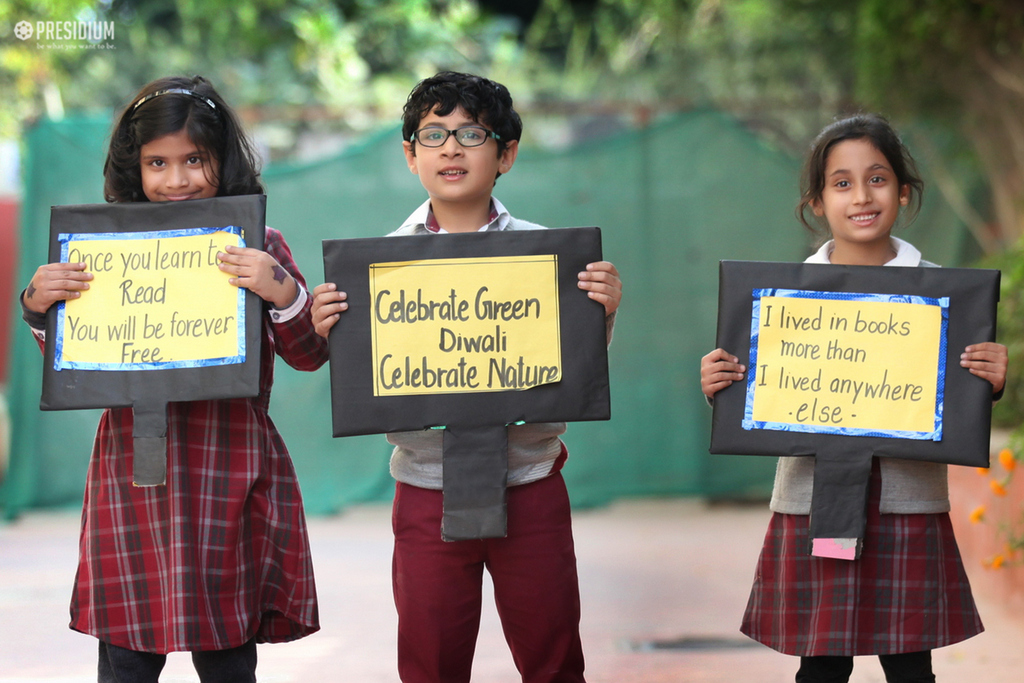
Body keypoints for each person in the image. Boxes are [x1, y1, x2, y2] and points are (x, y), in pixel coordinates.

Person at [311, 71, 622, 683]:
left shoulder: (549, 257)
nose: (451, 148)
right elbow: (372, 380)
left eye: (472, 133)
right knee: (430, 662)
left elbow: (568, 369)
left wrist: (602, 314)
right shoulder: (377, 267)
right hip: (425, 492)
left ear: (505, 153)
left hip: (531, 484)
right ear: (410, 155)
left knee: (554, 657)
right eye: (434, 134)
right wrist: (335, 332)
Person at [19, 76, 327, 683]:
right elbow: (80, 362)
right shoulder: (101, 253)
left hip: (229, 465)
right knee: (128, 652)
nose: (177, 179)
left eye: (195, 160)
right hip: (130, 472)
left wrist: (281, 289)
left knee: (226, 644)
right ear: (134, 166)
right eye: (157, 162)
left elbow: (309, 353)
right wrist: (39, 303)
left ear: (224, 159)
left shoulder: (258, 247)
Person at [700, 113, 1007, 683]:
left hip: (907, 506)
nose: (861, 196)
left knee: (912, 669)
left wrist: (988, 379)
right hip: (811, 506)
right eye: (841, 183)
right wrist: (724, 382)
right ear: (816, 201)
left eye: (878, 178)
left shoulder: (947, 295)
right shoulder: (780, 301)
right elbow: (760, 399)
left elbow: (955, 402)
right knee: (820, 669)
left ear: (904, 190)